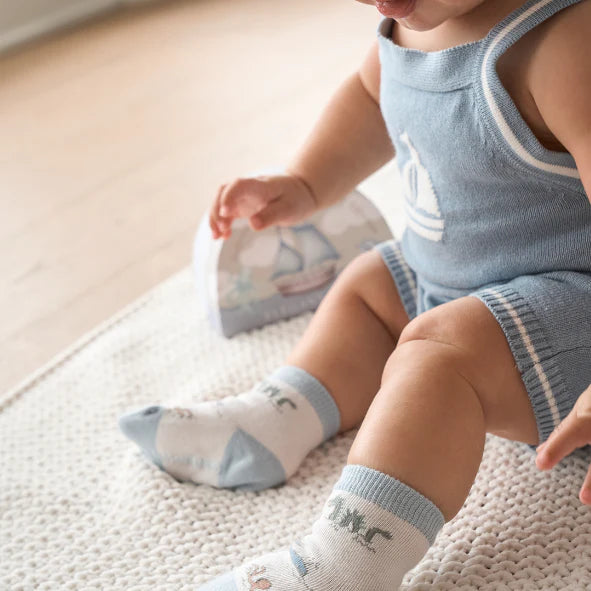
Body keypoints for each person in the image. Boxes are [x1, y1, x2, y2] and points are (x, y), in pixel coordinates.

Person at [119, 0, 591, 588]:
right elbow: (371, 97)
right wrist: (304, 181)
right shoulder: (410, 26)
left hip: (571, 317)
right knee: (371, 284)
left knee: (437, 354)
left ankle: (342, 567)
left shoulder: (565, 44)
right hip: (457, 284)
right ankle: (278, 418)